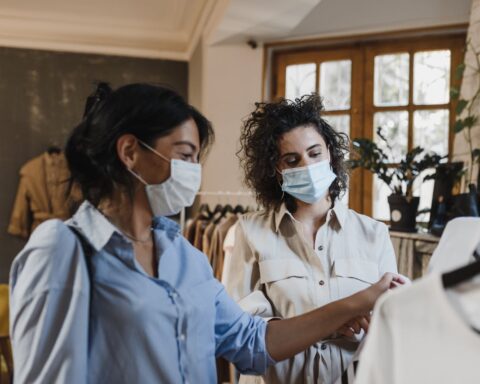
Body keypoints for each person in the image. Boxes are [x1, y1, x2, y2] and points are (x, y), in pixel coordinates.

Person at [9, 84, 403, 384]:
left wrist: (358, 303)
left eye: (196, 158)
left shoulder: (184, 256)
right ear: (130, 152)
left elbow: (252, 342)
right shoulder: (63, 248)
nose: (193, 171)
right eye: (183, 155)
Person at [224, 94, 398, 384]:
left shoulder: (374, 234)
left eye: (314, 154)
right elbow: (240, 331)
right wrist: (334, 321)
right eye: (292, 160)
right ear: (276, 171)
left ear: (329, 152)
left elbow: (388, 325)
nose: (306, 165)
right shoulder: (249, 232)